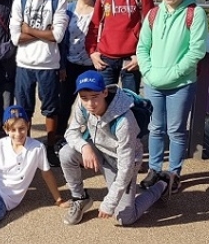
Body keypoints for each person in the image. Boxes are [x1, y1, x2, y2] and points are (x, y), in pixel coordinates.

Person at [59, 70, 175, 226]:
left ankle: (162, 183)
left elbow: (126, 168)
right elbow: (71, 132)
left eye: (95, 97)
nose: (90, 104)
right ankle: (80, 198)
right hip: (98, 150)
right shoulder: (83, 105)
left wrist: (109, 202)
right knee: (66, 152)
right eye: (84, 98)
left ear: (105, 92)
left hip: (122, 161)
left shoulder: (125, 121)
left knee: (125, 218)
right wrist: (85, 146)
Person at [136, 0, 208, 193]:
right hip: (154, 82)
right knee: (155, 128)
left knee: (176, 130)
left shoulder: (195, 13)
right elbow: (142, 47)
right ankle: (155, 170)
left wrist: (175, 72)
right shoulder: (153, 14)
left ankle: (174, 173)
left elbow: (197, 50)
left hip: (181, 84)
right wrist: (148, 71)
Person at [9, 0, 68, 166]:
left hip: (48, 64)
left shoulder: (58, 1)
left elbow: (58, 36)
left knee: (51, 109)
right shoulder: (19, 1)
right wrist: (45, 32)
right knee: (24, 110)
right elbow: (16, 38)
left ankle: (50, 148)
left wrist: (29, 30)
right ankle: (27, 147)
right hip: (24, 64)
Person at [85, 0, 154, 93]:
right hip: (105, 60)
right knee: (105, 104)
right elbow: (95, 25)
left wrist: (143, 56)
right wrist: (92, 52)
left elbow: (152, 28)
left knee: (131, 104)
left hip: (131, 59)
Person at [58, 0, 97, 137]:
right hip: (70, 64)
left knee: (91, 105)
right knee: (64, 104)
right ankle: (60, 136)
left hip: (90, 65)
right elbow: (60, 39)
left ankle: (89, 139)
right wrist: (61, 65)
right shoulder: (68, 10)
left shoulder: (99, 10)